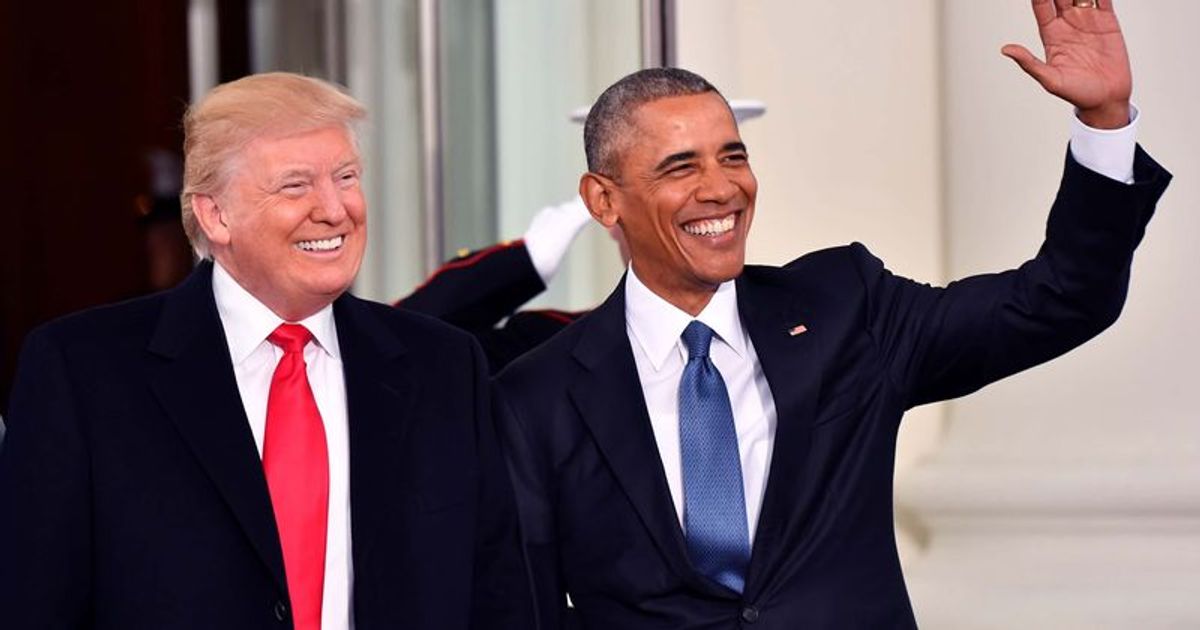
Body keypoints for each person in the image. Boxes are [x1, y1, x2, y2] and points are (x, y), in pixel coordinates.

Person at [492, 2, 1172, 628]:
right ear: (604, 200)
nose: (721, 187)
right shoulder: (537, 395)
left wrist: (1104, 122)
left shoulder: (846, 307)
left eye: (734, 156)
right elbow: (525, 607)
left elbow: (1057, 301)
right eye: (680, 167)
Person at [0, 72, 530, 630]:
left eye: (346, 177)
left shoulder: (443, 366)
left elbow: (499, 597)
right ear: (215, 215)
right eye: (295, 186)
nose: (334, 209)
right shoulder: (81, 371)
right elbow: (32, 605)